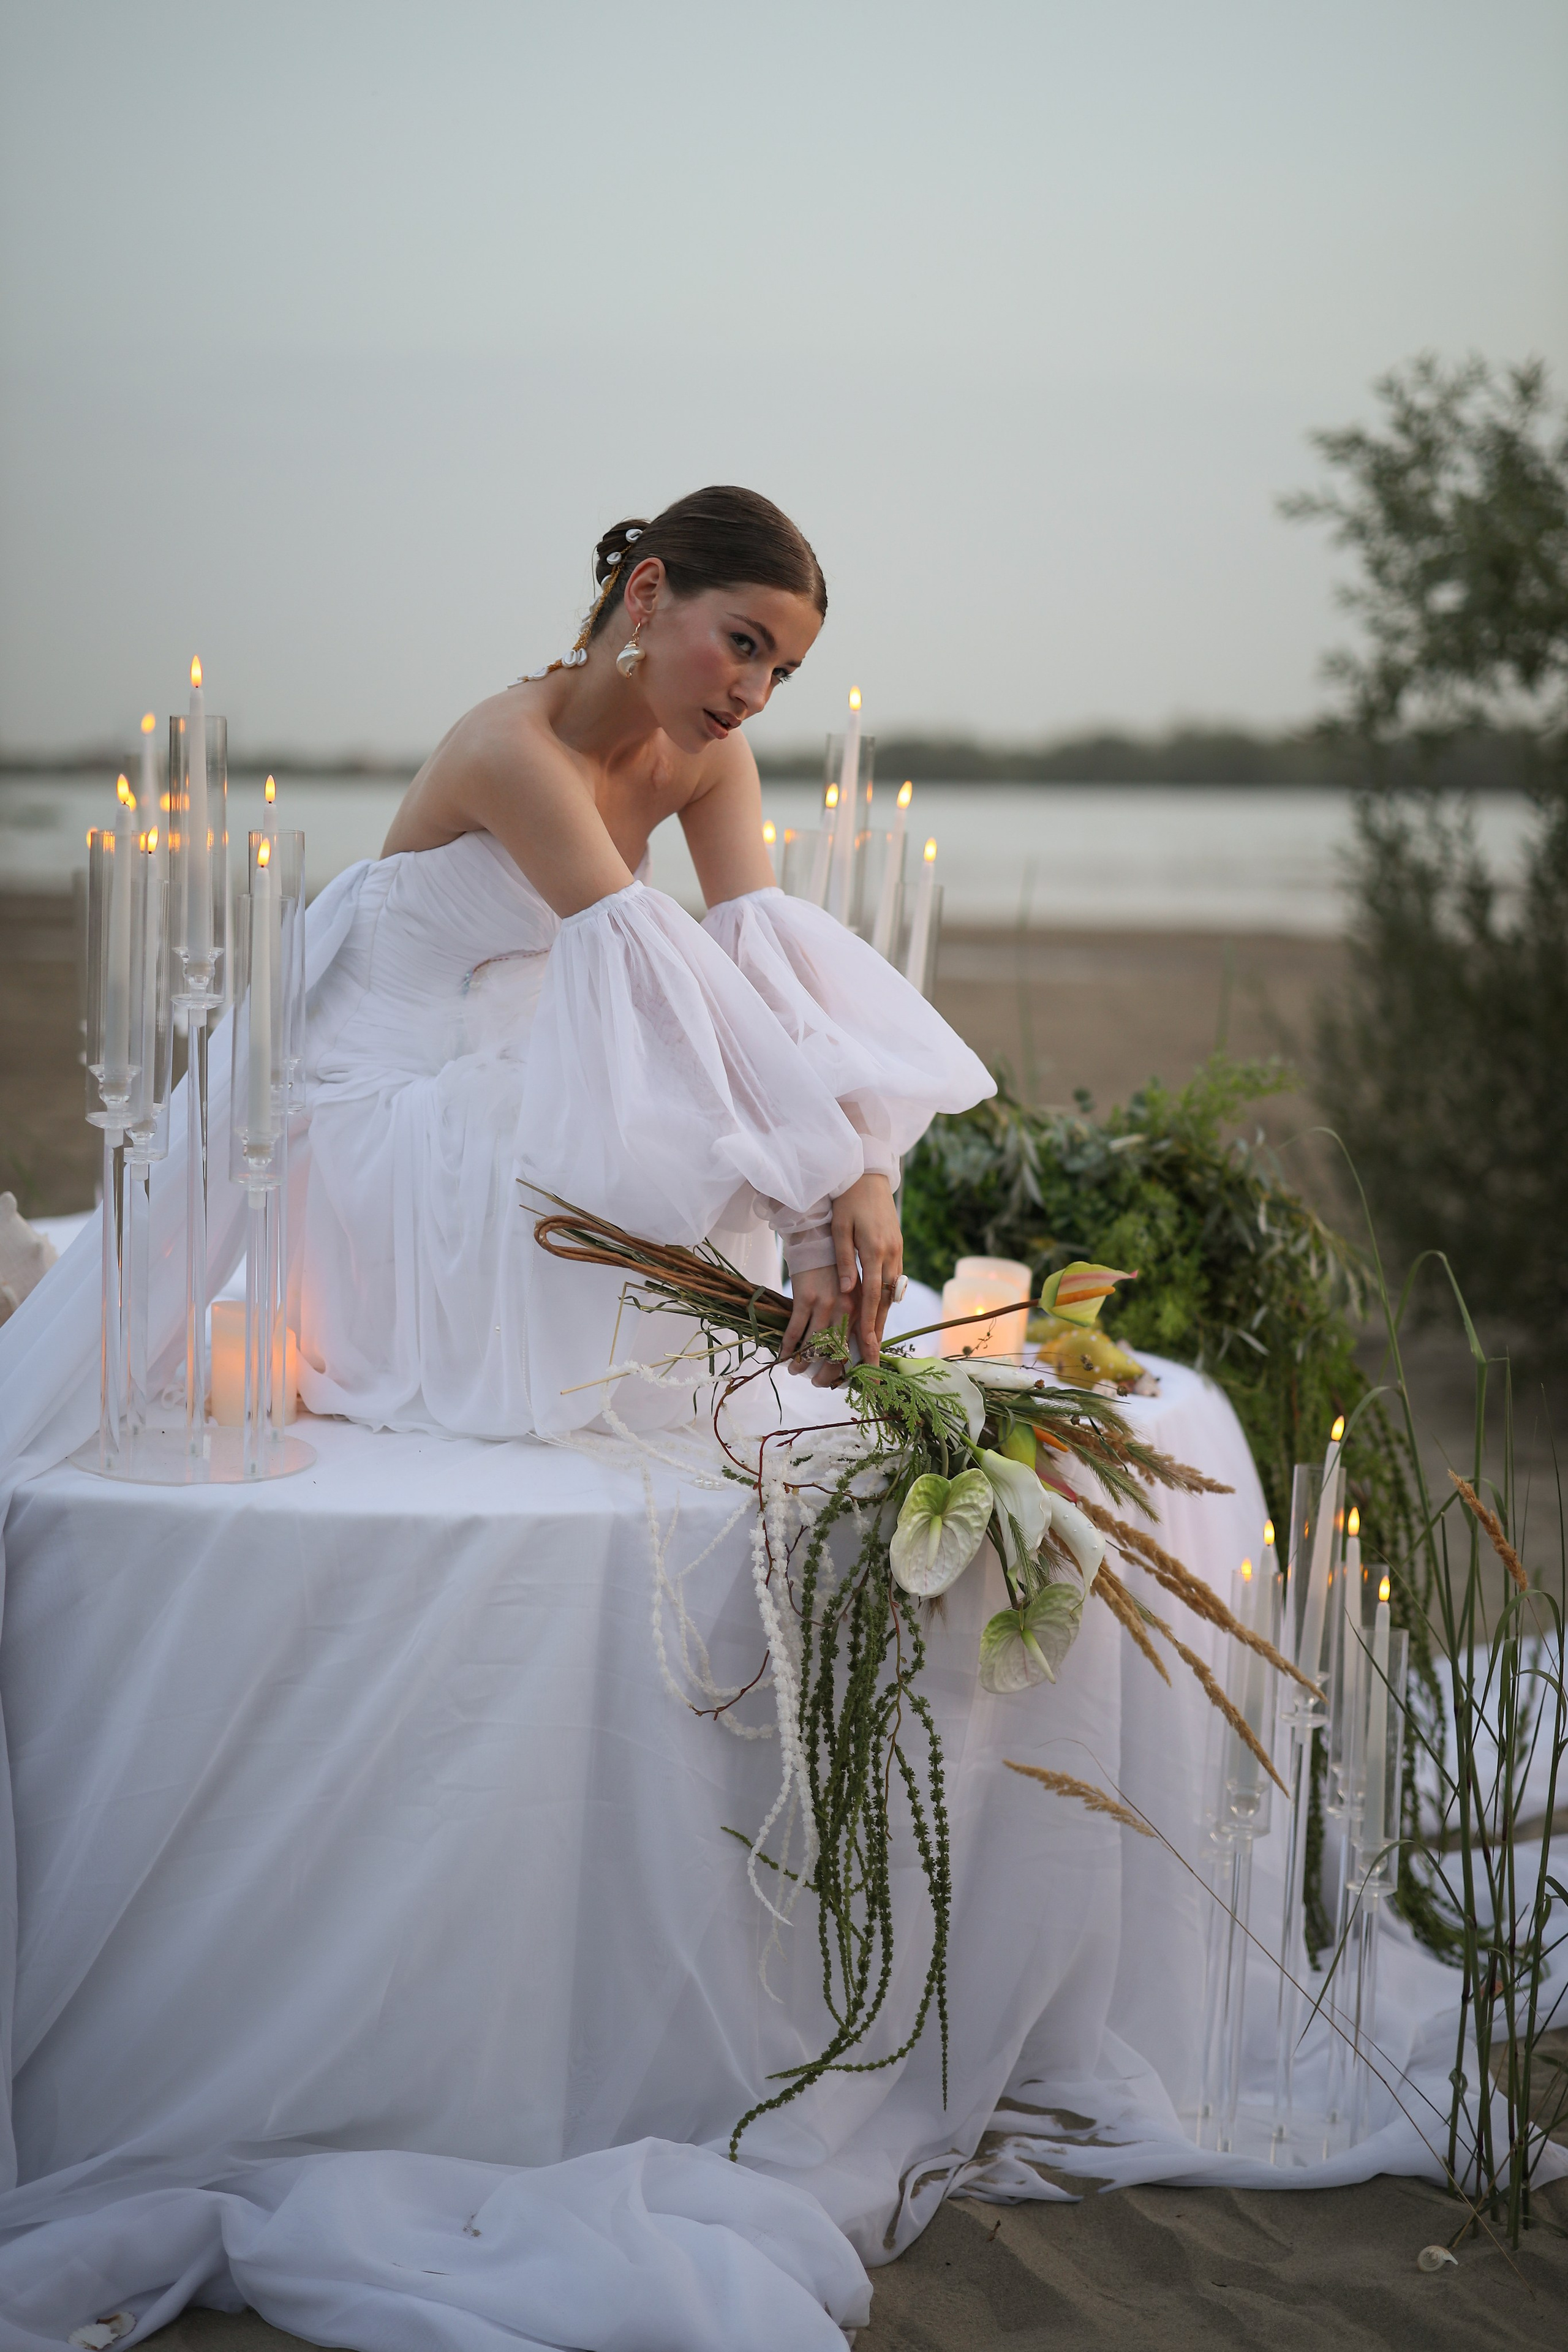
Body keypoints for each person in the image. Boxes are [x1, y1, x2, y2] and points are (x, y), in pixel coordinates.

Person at [296, 484, 992, 1438]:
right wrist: (805, 1222)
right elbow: (667, 1002)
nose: (753, 694)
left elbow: (758, 969)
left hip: (514, 1071)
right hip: (380, 1106)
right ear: (650, 592)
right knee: (630, 1154)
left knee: (662, 1145)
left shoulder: (708, 757)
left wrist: (861, 1161)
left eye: (782, 672)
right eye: (744, 644)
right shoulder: (513, 749)